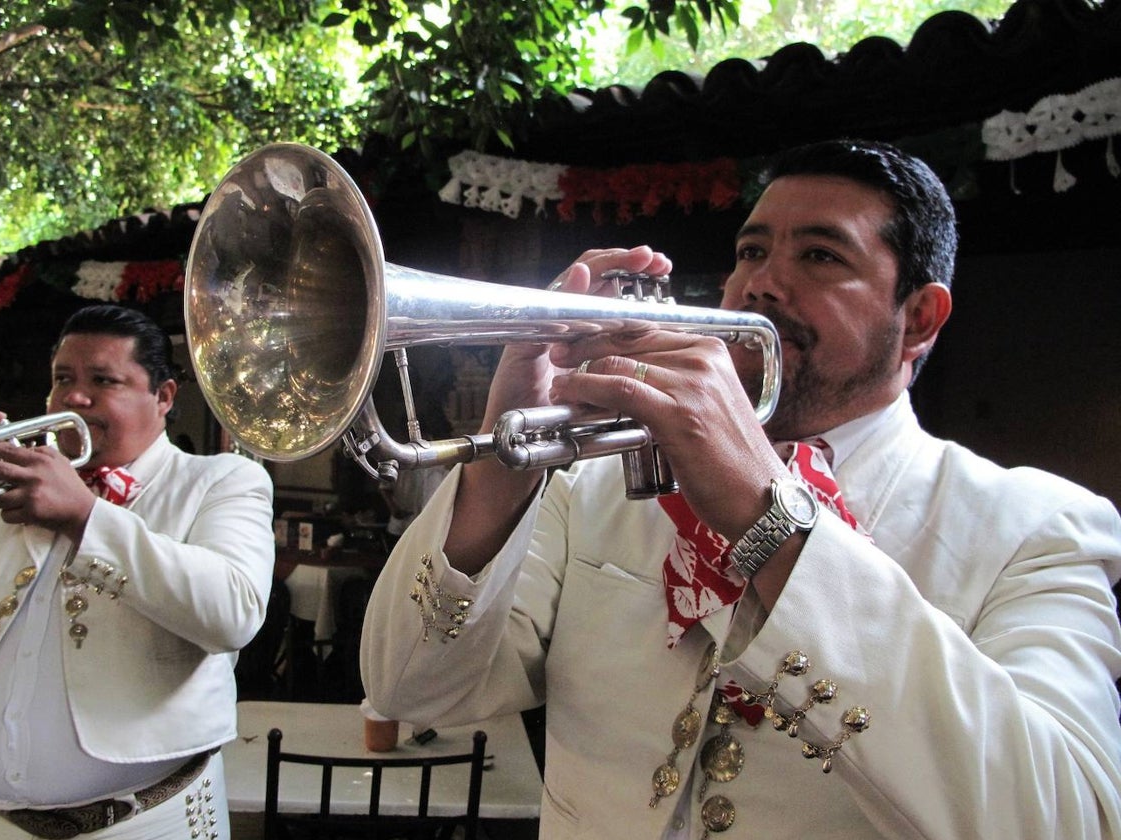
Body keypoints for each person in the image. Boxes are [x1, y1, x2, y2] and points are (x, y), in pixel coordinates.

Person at [360, 140, 1121, 838]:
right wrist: (500, 455)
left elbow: (1065, 818)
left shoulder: (1036, 527)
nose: (759, 284)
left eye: (821, 256)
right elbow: (408, 689)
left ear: (919, 318)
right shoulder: (587, 487)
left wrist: (765, 509)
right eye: (750, 251)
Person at [0, 304, 275, 839]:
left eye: (103, 380)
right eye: (63, 378)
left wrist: (87, 517)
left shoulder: (221, 480)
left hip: (153, 825)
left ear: (163, 396)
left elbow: (234, 614)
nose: (74, 397)